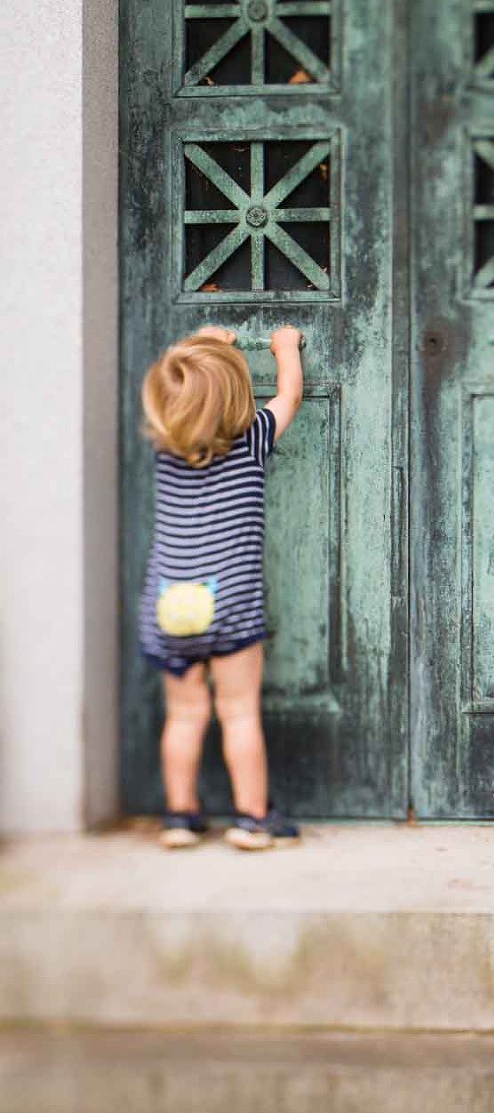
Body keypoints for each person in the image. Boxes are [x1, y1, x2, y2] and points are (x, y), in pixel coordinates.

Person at [137, 324, 303, 850]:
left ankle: (180, 816)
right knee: (238, 712)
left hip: (169, 605)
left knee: (185, 715)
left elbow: (173, 383)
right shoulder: (251, 438)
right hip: (229, 603)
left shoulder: (167, 449)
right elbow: (289, 394)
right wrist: (285, 349)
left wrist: (200, 339)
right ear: (235, 395)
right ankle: (254, 817)